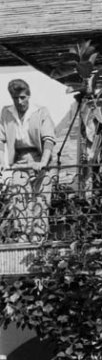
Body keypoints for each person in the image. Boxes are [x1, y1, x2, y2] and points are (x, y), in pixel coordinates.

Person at [0, 79, 56, 242]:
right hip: (19, 161)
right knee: (19, 199)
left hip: (39, 158)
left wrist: (43, 162)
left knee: (41, 200)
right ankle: (22, 238)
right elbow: (1, 139)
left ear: (29, 96)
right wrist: (2, 162)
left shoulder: (40, 112)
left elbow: (49, 139)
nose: (20, 101)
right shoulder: (6, 113)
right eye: (16, 98)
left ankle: (38, 238)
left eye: (23, 97)